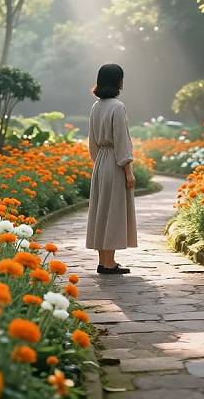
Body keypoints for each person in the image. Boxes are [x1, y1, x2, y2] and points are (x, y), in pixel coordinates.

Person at [86, 63, 137, 274]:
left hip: (100, 163)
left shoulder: (95, 107)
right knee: (114, 211)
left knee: (101, 212)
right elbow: (122, 141)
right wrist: (128, 171)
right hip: (115, 162)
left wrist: (99, 162)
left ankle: (104, 261)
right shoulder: (118, 107)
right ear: (118, 81)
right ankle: (109, 263)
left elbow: (92, 143)